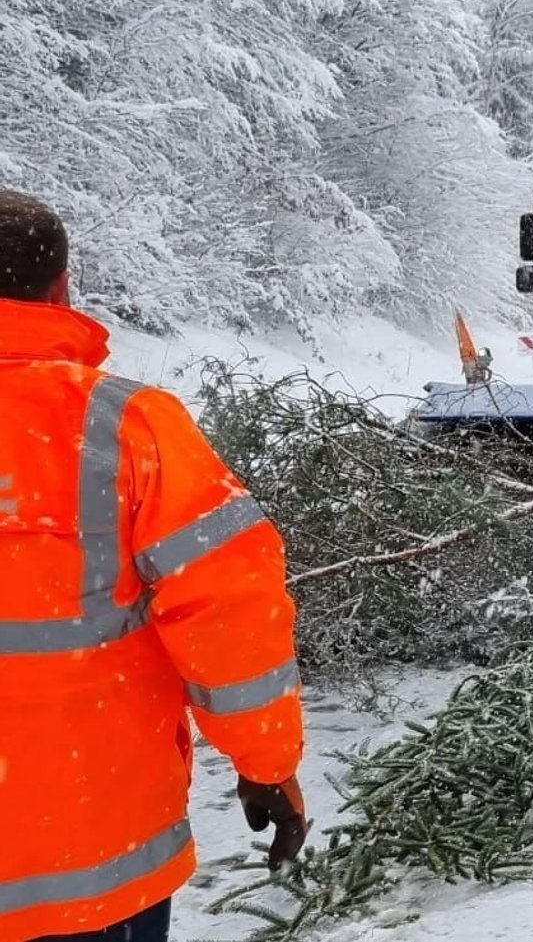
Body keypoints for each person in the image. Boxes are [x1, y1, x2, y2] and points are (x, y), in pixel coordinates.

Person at [0, 190, 308, 942]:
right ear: (62, 286)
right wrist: (266, 760)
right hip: (88, 854)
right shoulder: (127, 426)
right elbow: (230, 603)